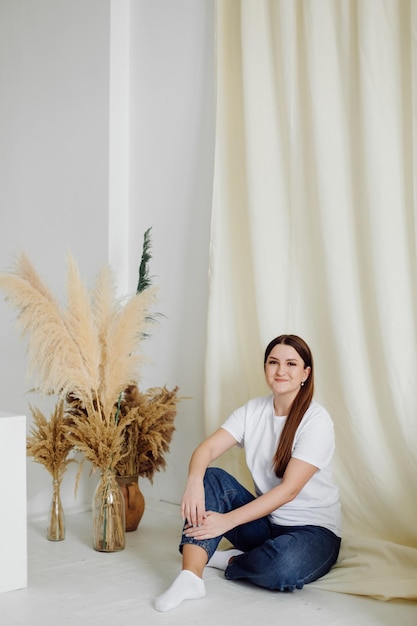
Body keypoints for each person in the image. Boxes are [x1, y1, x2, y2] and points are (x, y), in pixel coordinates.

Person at [154, 334, 342, 612]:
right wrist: (194, 481)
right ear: (265, 367)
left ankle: (231, 561)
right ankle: (190, 576)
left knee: (282, 568)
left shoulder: (316, 420)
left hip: (314, 532)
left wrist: (226, 522)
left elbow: (289, 490)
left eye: (291, 364)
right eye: (273, 362)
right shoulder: (252, 411)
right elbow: (205, 450)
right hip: (266, 523)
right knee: (211, 477)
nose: (281, 370)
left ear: (305, 373)